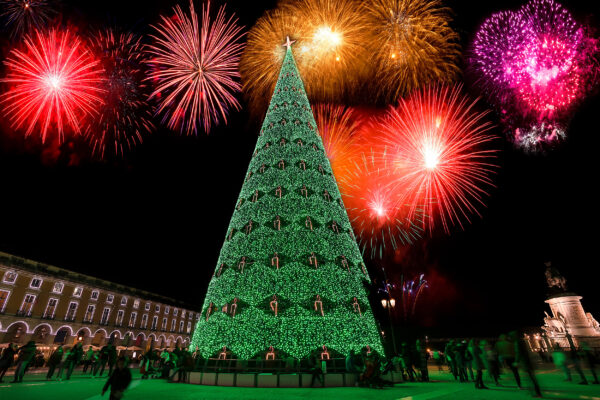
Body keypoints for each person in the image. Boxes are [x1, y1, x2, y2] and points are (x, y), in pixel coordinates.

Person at [513, 331, 542, 397]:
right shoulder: (524, 341)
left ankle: (535, 392)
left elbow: (518, 352)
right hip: (529, 360)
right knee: (532, 377)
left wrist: (516, 361)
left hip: (525, 362)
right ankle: (537, 392)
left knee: (530, 378)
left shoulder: (517, 342)